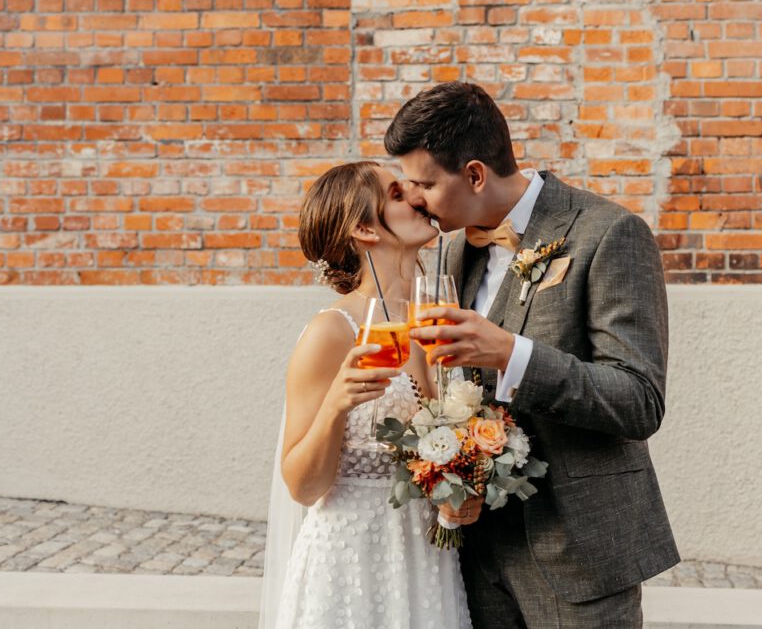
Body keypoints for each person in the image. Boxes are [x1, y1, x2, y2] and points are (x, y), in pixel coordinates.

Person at [385, 82, 680, 628]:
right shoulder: (449, 250)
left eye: (424, 182)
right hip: (474, 553)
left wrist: (512, 355)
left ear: (474, 174)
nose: (416, 197)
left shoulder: (608, 233)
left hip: (579, 552)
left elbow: (639, 400)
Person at [258, 161, 473, 629]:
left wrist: (462, 490)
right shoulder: (331, 333)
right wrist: (336, 402)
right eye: (397, 194)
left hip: (426, 558)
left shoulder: (440, 317)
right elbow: (302, 486)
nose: (417, 197)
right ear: (363, 228)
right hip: (350, 562)